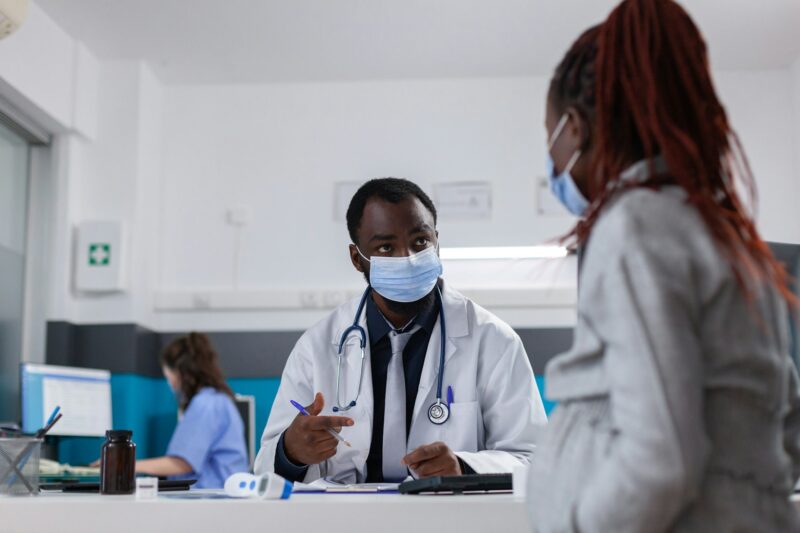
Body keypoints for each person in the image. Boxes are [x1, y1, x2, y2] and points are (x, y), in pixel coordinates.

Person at [527, 0, 800, 531]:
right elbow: (786, 431)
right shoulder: (729, 236)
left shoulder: (635, 227)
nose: (552, 162)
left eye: (549, 139)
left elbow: (661, 461)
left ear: (574, 130)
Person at [254, 178, 547, 483]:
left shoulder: (493, 341)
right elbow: (264, 468)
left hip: (448, 519)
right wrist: (290, 453)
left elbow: (534, 458)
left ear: (437, 243)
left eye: (420, 241)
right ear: (357, 259)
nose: (407, 258)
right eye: (385, 247)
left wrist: (464, 467)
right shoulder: (317, 347)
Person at [136, 332, 249, 488]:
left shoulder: (205, 405)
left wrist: (126, 465)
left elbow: (182, 463)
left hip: (211, 498)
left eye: (167, 375)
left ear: (177, 372)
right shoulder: (218, 400)